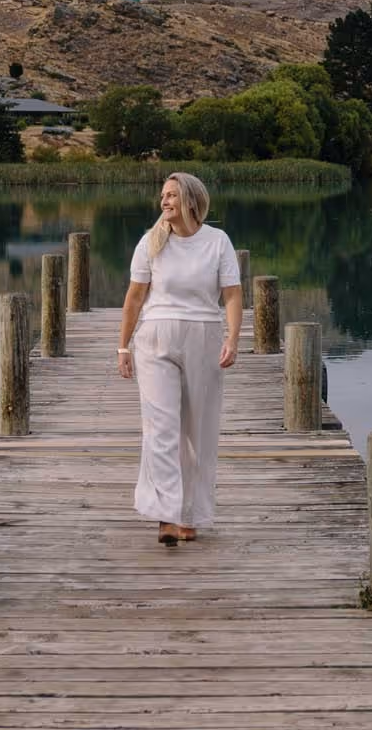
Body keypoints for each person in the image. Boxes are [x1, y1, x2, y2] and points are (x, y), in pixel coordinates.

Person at [117, 172, 242, 547]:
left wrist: (232, 339)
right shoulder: (151, 243)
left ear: (190, 200)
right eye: (162, 196)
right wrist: (123, 347)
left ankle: (191, 515)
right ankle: (166, 514)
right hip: (155, 340)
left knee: (197, 430)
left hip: (203, 338)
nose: (164, 201)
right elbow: (134, 299)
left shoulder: (217, 242)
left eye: (171, 195)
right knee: (161, 427)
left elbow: (233, 296)